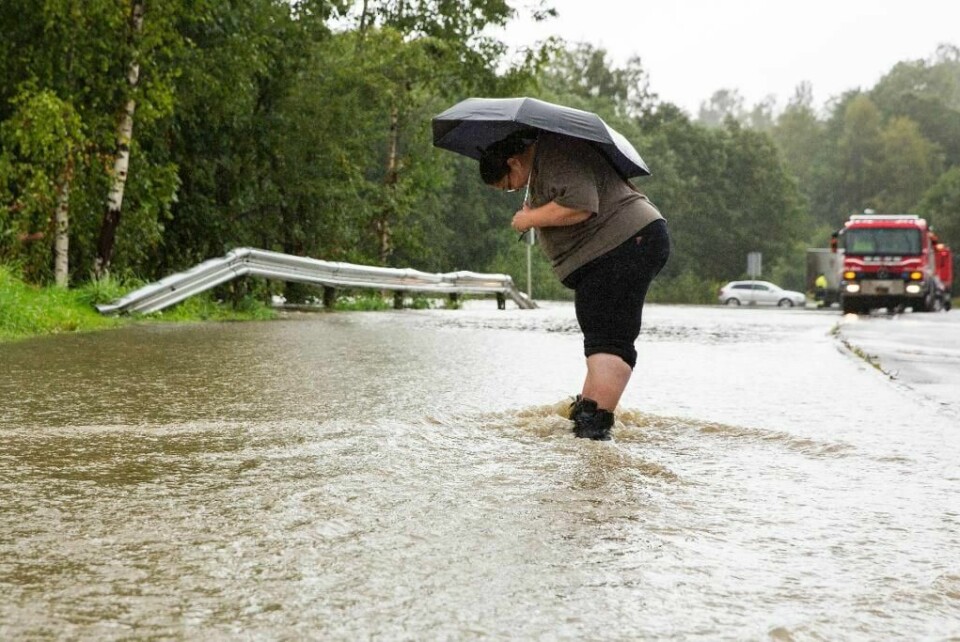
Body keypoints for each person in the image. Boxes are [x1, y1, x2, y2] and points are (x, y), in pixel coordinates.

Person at [479, 129, 670, 441]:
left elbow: (582, 204)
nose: (511, 191)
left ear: (513, 163)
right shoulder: (547, 163)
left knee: (609, 338)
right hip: (616, 248)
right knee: (599, 335)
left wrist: (530, 219)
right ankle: (587, 419)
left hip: (624, 243)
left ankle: (595, 428)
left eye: (507, 187)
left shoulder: (555, 153)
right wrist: (537, 212)